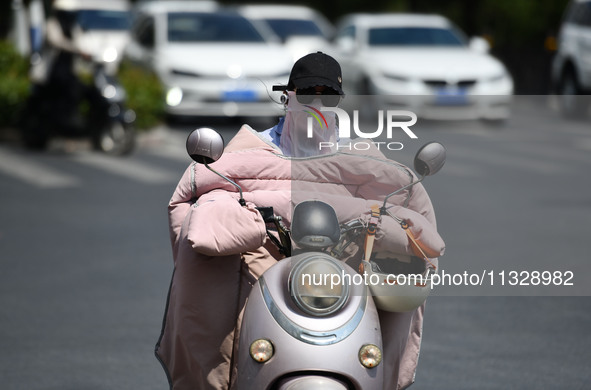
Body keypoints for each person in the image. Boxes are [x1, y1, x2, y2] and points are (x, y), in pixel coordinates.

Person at [156, 52, 445, 390]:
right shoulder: (249, 152)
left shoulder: (361, 156)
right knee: (207, 275)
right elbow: (197, 202)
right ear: (287, 97)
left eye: (329, 96)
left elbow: (404, 203)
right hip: (261, 269)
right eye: (308, 94)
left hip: (337, 278)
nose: (317, 106)